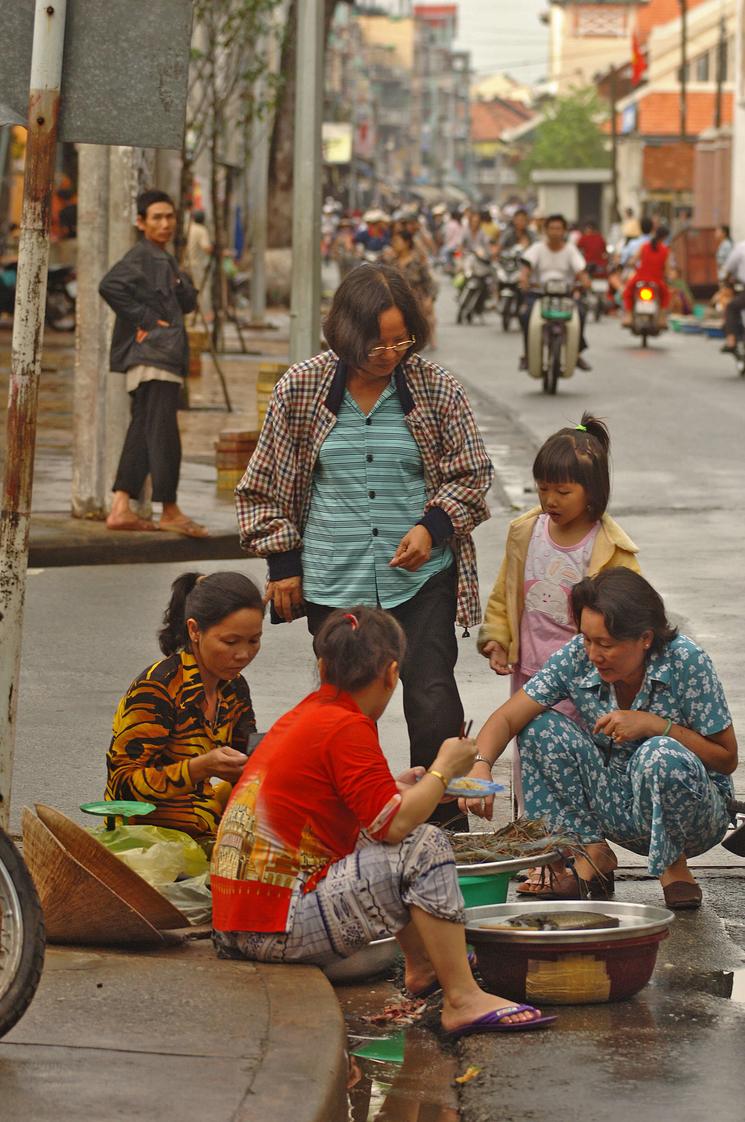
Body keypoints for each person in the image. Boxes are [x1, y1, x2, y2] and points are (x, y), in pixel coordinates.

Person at [211, 606, 556, 1037]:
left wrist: (409, 786)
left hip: (238, 924)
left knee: (400, 832)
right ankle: (462, 998)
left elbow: (351, 805)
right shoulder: (346, 726)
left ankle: (425, 967)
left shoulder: (310, 714)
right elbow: (392, 828)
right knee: (423, 843)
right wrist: (442, 770)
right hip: (275, 928)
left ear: (323, 666)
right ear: (392, 673)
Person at [234, 263, 494, 829]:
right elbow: (262, 489)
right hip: (335, 581)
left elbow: (472, 475)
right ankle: (353, 824)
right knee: (347, 712)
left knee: (431, 698)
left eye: (402, 340)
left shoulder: (435, 388)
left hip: (423, 580)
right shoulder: (302, 389)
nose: (389, 353)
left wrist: (432, 527)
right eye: (377, 342)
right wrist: (283, 563)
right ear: (348, 334)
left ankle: (439, 829)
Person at [464, 569, 738, 911]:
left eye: (606, 644)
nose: (594, 654)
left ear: (645, 638)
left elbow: (726, 759)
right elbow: (507, 717)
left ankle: (674, 866)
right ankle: (592, 852)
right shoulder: (579, 656)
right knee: (538, 726)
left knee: (659, 753)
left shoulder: (686, 662)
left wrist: (657, 726)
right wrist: (481, 767)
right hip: (617, 807)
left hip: (695, 815)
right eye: (587, 639)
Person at [477, 414, 639, 816]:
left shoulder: (608, 547)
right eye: (543, 489)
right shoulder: (526, 532)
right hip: (529, 670)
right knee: (527, 753)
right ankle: (535, 840)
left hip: (583, 679)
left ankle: (573, 843)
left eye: (562, 491)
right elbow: (505, 591)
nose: (549, 500)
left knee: (573, 757)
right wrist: (497, 637)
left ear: (592, 492)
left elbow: (629, 614)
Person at [105, 571, 263, 839]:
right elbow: (122, 788)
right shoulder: (157, 689)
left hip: (201, 825)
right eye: (230, 642)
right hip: (144, 836)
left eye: (254, 640)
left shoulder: (234, 687)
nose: (243, 654)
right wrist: (200, 768)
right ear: (194, 630)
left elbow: (245, 758)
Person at [99, 189, 207, 537]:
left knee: (143, 432)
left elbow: (186, 304)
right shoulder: (146, 256)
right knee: (163, 434)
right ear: (140, 222)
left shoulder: (164, 257)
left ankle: (120, 506)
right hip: (156, 357)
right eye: (156, 217)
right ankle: (170, 509)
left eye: (169, 217)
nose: (165, 224)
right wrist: (146, 320)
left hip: (156, 356)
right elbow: (110, 285)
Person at [518, 213, 591, 372]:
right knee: (525, 315)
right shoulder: (537, 248)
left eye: (559, 228)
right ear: (545, 230)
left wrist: (585, 281)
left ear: (564, 231)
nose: (555, 232)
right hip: (539, 294)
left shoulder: (571, 250)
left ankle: (576, 353)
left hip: (566, 296)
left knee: (581, 313)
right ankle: (527, 354)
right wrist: (524, 279)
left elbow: (581, 270)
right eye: (552, 228)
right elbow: (526, 268)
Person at [390, 226, 438, 346]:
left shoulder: (418, 261)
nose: (394, 245)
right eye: (393, 242)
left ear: (406, 243)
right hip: (395, 300)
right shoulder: (390, 262)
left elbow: (429, 282)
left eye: (397, 241)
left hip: (417, 300)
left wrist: (429, 299)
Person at [621, 225, 670, 328]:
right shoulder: (665, 250)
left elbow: (633, 260)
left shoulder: (644, 246)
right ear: (665, 237)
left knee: (627, 292)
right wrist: (667, 277)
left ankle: (629, 316)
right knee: (665, 295)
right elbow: (667, 270)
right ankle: (661, 318)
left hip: (640, 277)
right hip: (657, 280)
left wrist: (632, 265)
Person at [184, 209, 213, 319]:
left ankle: (189, 314)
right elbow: (206, 247)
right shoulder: (201, 230)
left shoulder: (187, 228)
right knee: (202, 288)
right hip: (196, 264)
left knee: (186, 288)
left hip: (185, 263)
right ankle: (205, 314)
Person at [720, 235, 745, 353]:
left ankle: (731, 341)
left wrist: (725, 280)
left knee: (731, 307)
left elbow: (728, 268)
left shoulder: (741, 247)